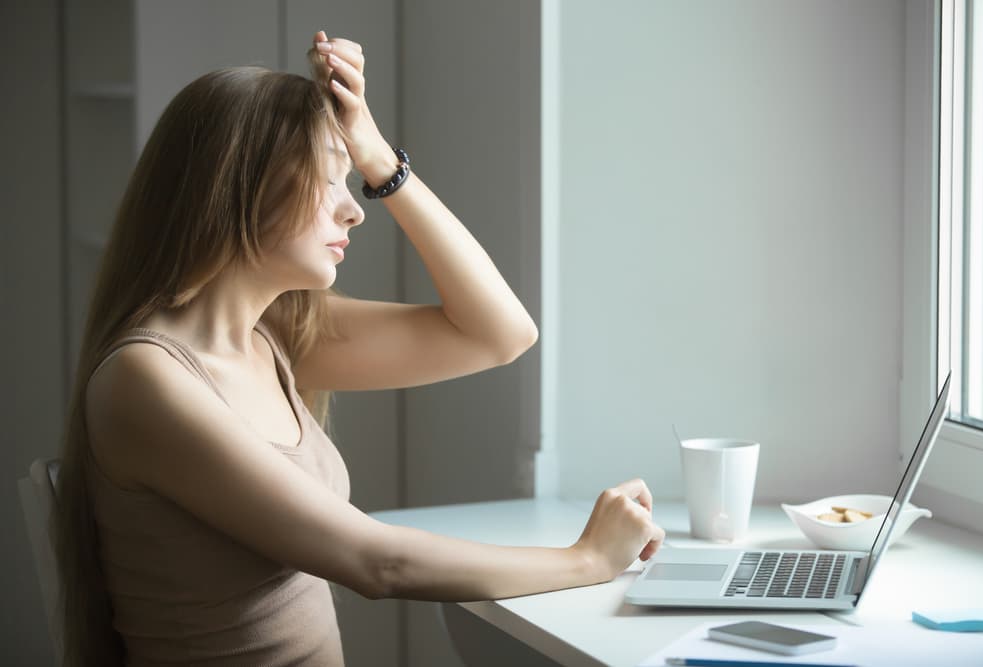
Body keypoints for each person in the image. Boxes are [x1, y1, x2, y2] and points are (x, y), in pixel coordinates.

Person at [53, 31, 665, 667]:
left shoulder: (272, 337)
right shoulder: (145, 378)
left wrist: (376, 156)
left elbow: (502, 334)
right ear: (240, 189)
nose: (356, 211)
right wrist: (586, 560)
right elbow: (378, 563)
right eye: (328, 178)